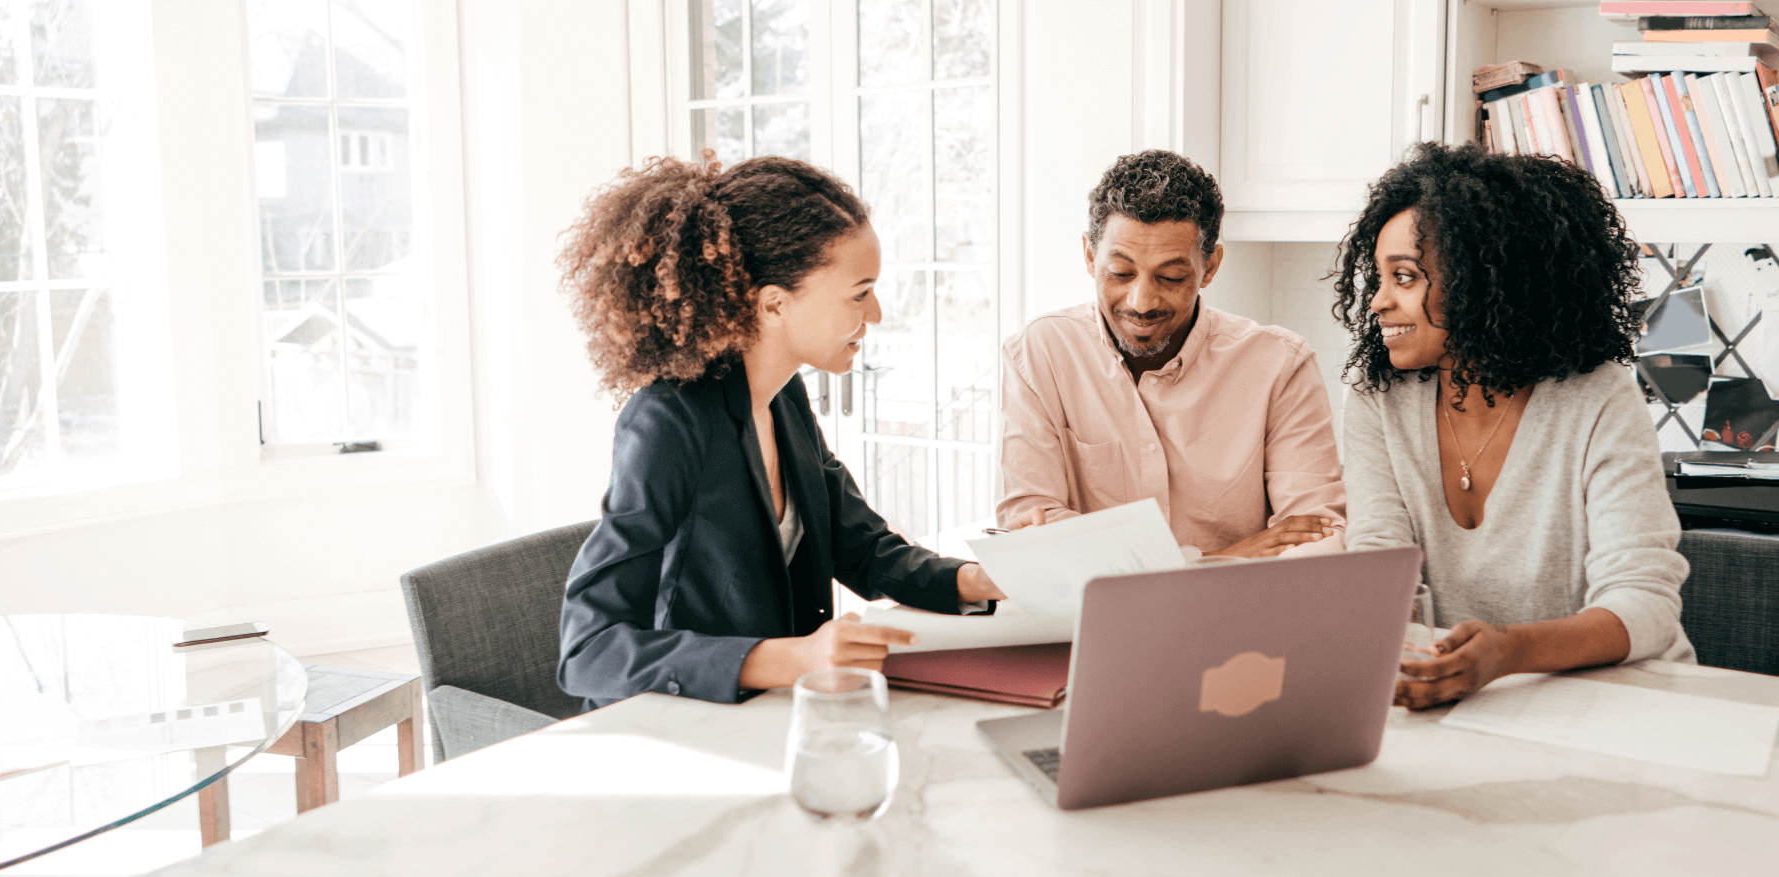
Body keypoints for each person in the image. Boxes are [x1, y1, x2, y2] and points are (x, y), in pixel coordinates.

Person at [556, 154, 1005, 711]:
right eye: (860, 293)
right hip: (680, 727)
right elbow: (588, 651)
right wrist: (793, 659)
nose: (879, 314)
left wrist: (980, 580)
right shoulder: (669, 422)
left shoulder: (784, 396)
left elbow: (862, 549)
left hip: (771, 716)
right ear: (774, 303)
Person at [1333, 143, 1695, 710]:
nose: (1377, 301)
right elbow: (1380, 571)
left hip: (1618, 702)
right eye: (1378, 278)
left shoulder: (1597, 397)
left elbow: (1644, 603)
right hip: (1463, 700)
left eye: (1404, 277)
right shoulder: (1378, 400)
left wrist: (1509, 652)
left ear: (1483, 281)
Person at [998, 150, 1347, 558]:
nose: (1142, 301)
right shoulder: (1039, 354)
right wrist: (1217, 560)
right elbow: (1029, 527)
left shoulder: (1281, 366)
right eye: (1121, 273)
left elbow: (1315, 538)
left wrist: (1106, 552)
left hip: (1239, 617)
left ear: (1210, 266)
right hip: (1093, 619)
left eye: (1171, 277)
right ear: (1091, 257)